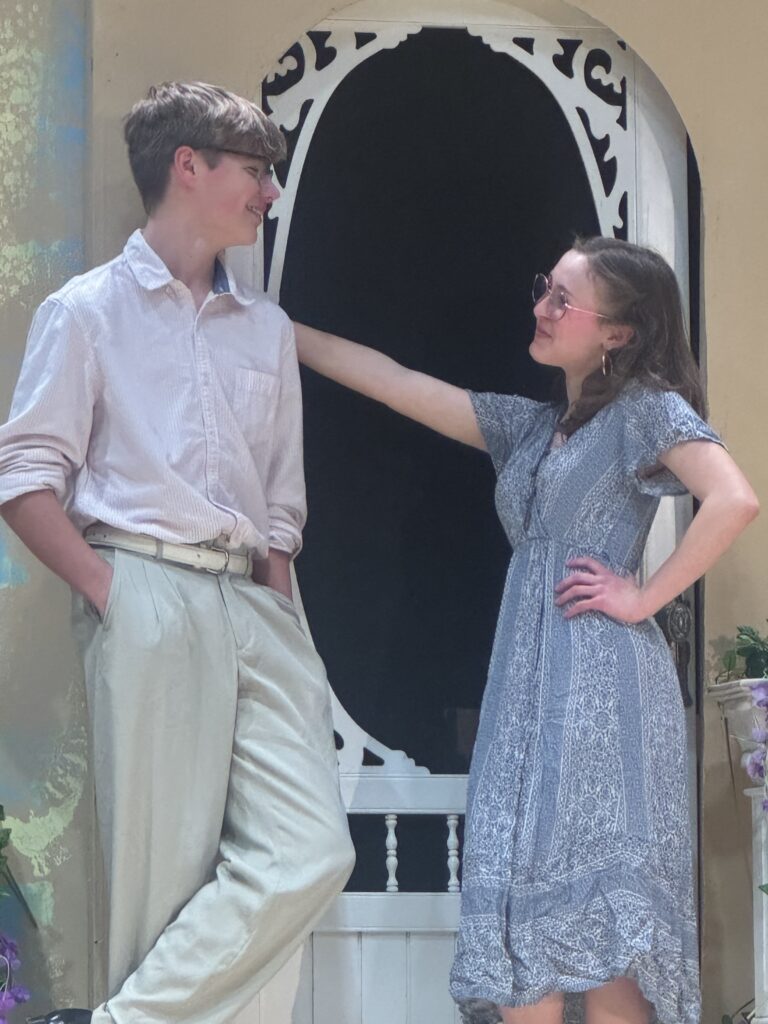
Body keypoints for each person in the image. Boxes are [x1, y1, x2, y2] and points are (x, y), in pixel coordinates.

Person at [293, 236, 759, 1024]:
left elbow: (734, 499)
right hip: (525, 691)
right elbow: (397, 382)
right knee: (520, 939)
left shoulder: (645, 410)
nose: (542, 307)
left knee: (609, 959)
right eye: (547, 287)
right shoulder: (530, 429)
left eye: (564, 299)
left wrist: (642, 599)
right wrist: (273, 327)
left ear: (618, 333)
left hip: (602, 690)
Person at [0, 81, 354, 1024]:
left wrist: (283, 616)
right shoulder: (85, 312)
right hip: (146, 585)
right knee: (162, 880)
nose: (269, 191)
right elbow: (25, 478)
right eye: (256, 170)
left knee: (313, 851)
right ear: (187, 166)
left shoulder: (266, 329)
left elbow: (280, 506)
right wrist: (111, 590)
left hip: (258, 602)